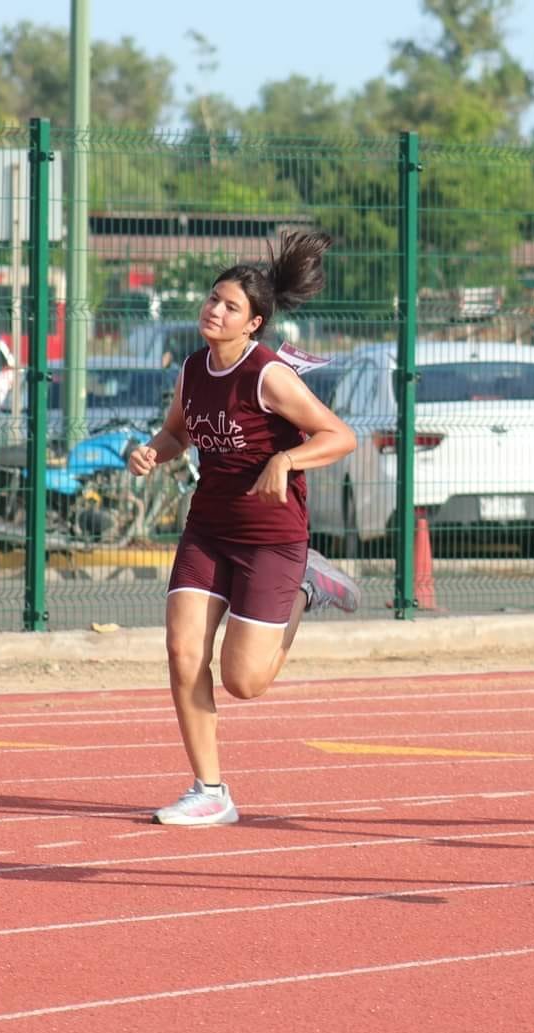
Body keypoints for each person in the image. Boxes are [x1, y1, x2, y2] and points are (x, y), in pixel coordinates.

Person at [127, 230, 361, 826]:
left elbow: (340, 436)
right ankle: (210, 790)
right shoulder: (191, 369)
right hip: (207, 529)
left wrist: (285, 459)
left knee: (244, 682)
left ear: (253, 323)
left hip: (272, 540)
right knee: (183, 653)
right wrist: (154, 451)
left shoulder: (269, 376)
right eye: (212, 299)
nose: (214, 310)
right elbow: (179, 432)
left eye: (230, 306)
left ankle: (307, 586)